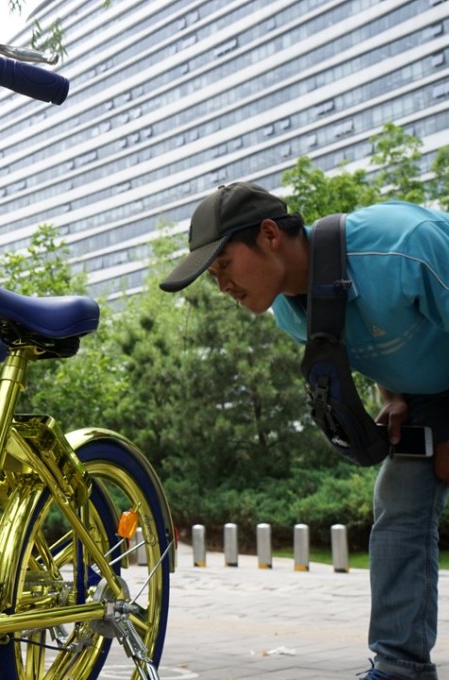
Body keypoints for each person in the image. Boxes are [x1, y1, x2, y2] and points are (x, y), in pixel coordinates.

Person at [159, 181, 449, 680]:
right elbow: (372, 349)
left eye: (224, 265)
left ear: (269, 234)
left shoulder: (402, 248)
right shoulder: (291, 312)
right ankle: (401, 668)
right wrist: (395, 397)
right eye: (213, 277)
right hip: (428, 392)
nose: (222, 286)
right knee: (399, 501)